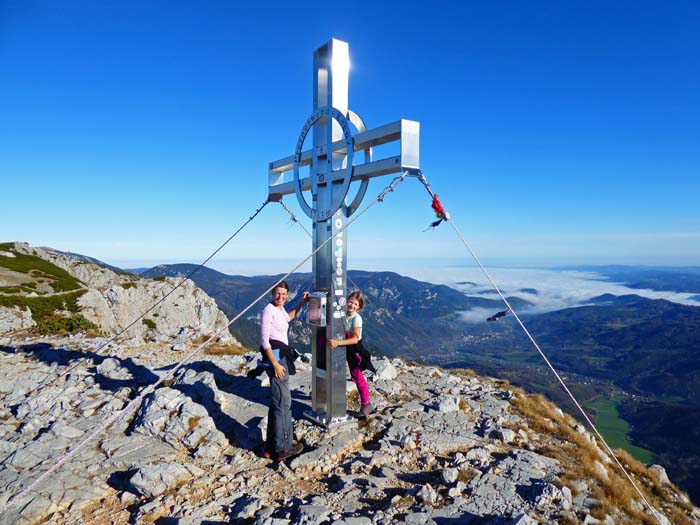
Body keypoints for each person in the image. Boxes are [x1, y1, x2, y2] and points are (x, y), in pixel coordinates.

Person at [259, 281, 309, 460]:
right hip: (276, 358)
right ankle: (283, 448)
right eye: (277, 293)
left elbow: (288, 318)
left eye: (284, 294)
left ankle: (270, 446)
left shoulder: (279, 310)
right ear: (273, 294)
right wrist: (275, 364)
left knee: (276, 403)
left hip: (280, 356)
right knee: (284, 403)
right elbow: (265, 341)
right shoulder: (268, 310)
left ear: (287, 295)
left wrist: (302, 304)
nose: (280, 297)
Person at [329, 291, 376, 416]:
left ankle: (367, 404)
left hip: (355, 350)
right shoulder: (343, 314)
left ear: (359, 307)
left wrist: (338, 343)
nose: (352, 305)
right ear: (347, 301)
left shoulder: (357, 319)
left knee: (357, 377)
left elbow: (355, 339)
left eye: (356, 304)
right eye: (351, 302)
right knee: (343, 372)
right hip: (345, 346)